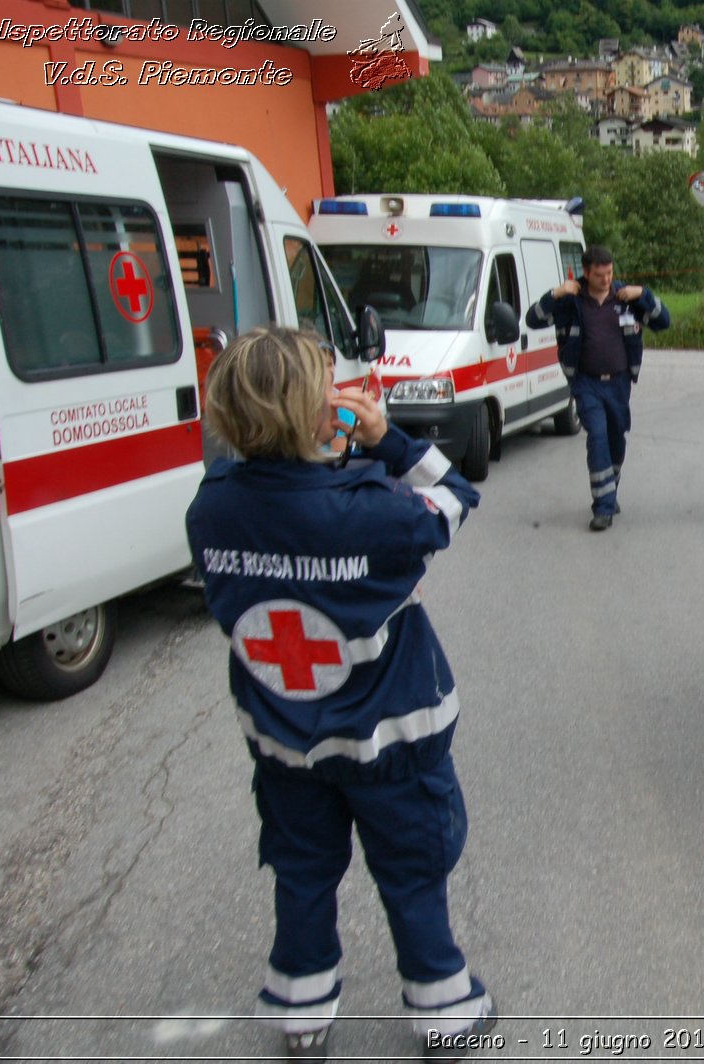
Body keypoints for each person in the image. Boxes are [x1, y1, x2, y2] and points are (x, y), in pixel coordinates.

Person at [184, 328, 495, 1062]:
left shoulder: (212, 507)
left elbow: (276, 511)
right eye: (328, 388)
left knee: (301, 872)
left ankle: (299, 1011)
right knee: (413, 872)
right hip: (392, 745)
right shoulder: (373, 510)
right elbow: (456, 496)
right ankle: (443, 1009)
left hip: (284, 742)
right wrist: (387, 442)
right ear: (310, 412)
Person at [525, 246, 670, 531]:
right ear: (586, 272)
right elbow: (533, 319)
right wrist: (555, 294)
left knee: (616, 438)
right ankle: (602, 507)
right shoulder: (571, 302)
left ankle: (609, 489)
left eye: (610, 273)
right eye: (600, 275)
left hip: (618, 383)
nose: (606, 280)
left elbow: (664, 323)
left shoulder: (625, 299)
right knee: (598, 436)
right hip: (585, 382)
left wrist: (644, 295)